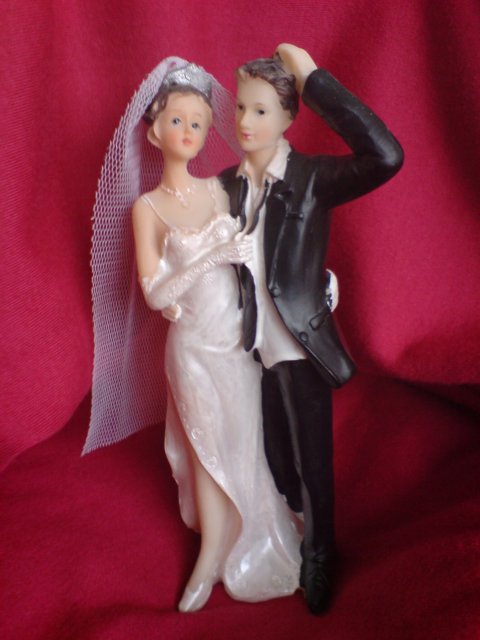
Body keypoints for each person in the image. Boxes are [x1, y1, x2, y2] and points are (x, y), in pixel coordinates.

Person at [84, 58, 302, 613]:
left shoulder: (219, 190)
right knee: (205, 450)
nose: (188, 132)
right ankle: (209, 556)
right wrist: (209, 257)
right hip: (192, 348)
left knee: (242, 441)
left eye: (198, 123)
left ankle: (247, 535)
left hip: (235, 340)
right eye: (177, 121)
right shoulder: (148, 208)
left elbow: (257, 252)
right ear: (155, 131)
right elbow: (155, 294)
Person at [219, 43, 404, 614]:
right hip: (247, 346)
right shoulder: (226, 185)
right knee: (272, 452)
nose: (245, 122)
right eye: (241, 107)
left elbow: (386, 156)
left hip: (300, 344)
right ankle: (281, 529)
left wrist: (313, 78)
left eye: (260, 110)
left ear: (288, 116)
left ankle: (320, 551)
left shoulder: (312, 177)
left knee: (312, 458)